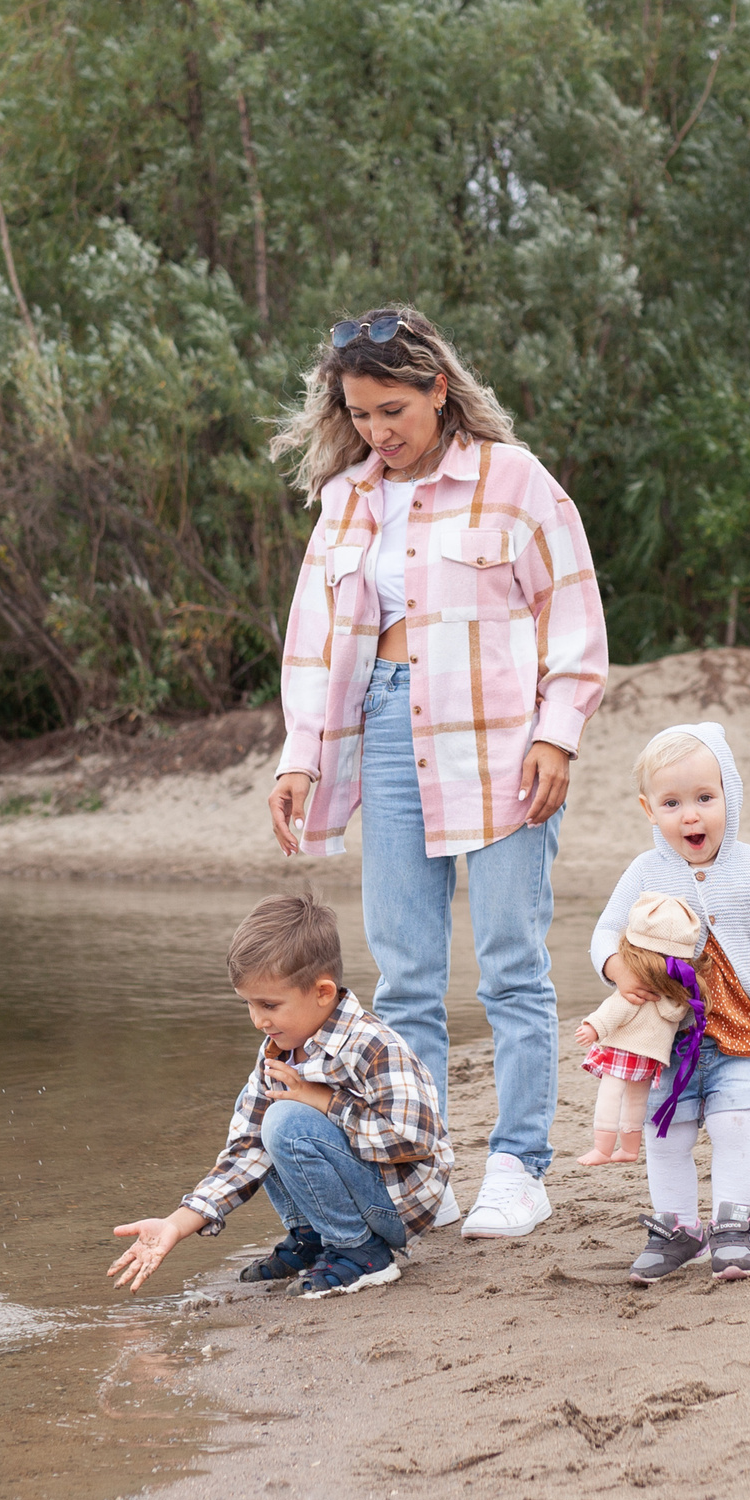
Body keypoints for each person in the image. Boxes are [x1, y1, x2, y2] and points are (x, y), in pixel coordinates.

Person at [265, 307, 609, 1240]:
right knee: (407, 976)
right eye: (359, 413)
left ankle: (518, 1165)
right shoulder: (346, 500)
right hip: (383, 731)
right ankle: (424, 1172)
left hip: (500, 737)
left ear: (438, 390)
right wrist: (301, 757)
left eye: (393, 410)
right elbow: (313, 643)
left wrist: (558, 735)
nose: (378, 430)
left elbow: (574, 615)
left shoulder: (514, 479)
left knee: (511, 964)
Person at [107, 894, 452, 1300]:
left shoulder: (373, 1046)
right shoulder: (278, 1051)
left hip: (398, 1204)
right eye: (249, 1005)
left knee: (285, 1120)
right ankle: (313, 1237)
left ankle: (361, 1253)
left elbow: (415, 1141)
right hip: (361, 1191)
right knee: (267, 1116)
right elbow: (247, 1148)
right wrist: (177, 1223)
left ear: (322, 991)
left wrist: (325, 1102)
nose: (258, 1020)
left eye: (269, 1005)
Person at [588, 725, 750, 1282]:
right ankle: (678, 1228)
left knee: (736, 1124)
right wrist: (617, 968)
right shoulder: (645, 871)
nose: (691, 816)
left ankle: (732, 1225)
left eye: (705, 798)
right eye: (672, 804)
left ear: (729, 796)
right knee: (667, 1132)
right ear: (649, 809)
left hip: (743, 1032)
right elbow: (605, 932)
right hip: (667, 1039)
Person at [567, 920, 691, 1168]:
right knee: (636, 1101)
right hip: (651, 1055)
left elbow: (612, 1012)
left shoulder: (636, 989)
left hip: (623, 1049)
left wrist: (592, 1028)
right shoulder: (675, 996)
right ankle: (629, 1148)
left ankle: (602, 1149)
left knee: (610, 1097)